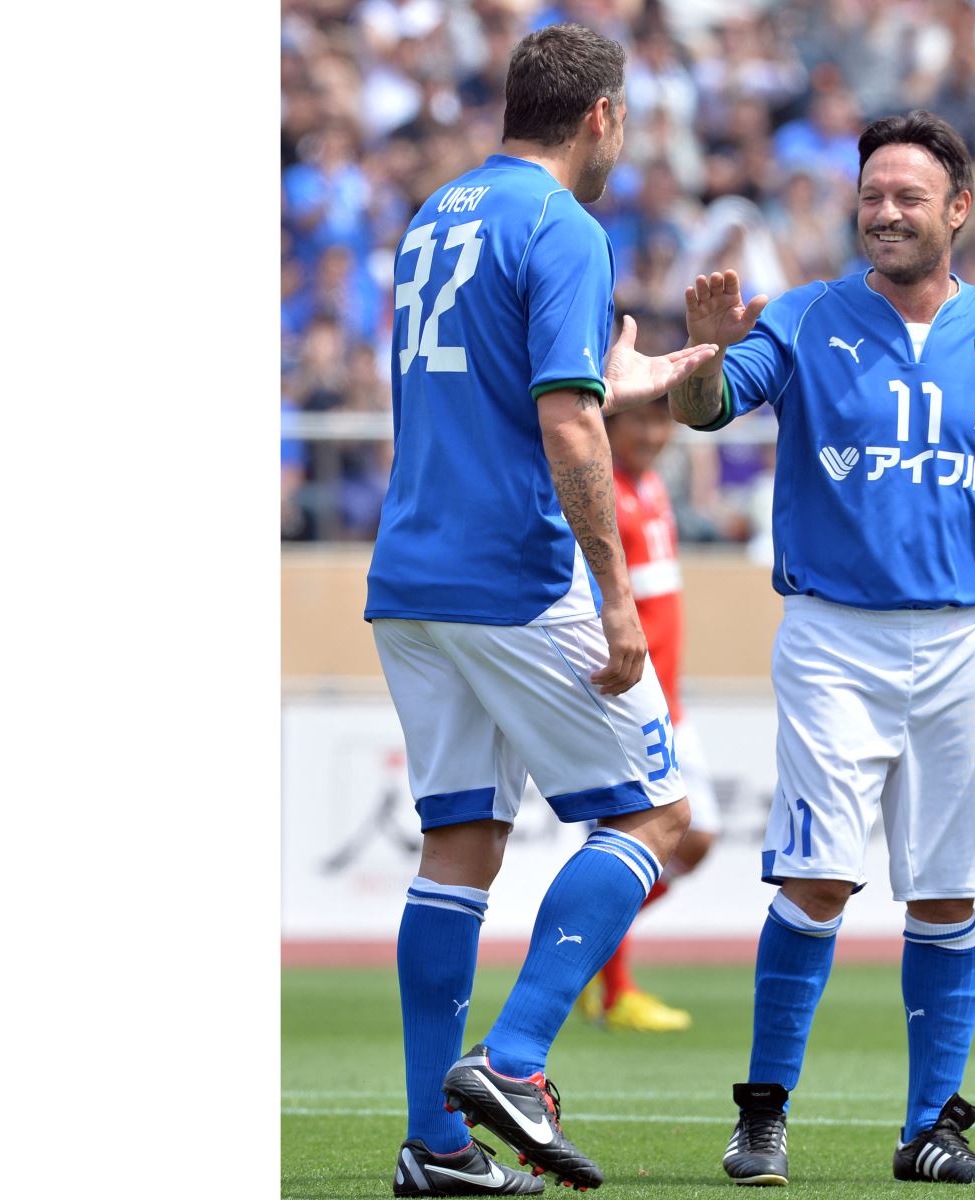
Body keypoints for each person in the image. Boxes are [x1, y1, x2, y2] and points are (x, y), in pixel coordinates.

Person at [668, 110, 975, 1186]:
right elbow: (709, 407)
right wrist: (711, 348)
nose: (886, 213)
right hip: (833, 639)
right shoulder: (808, 319)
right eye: (871, 197)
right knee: (819, 877)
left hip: (962, 642)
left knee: (949, 892)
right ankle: (763, 1116)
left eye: (908, 197)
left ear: (957, 210)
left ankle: (929, 1131)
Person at [364, 24, 718, 1197]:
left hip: (411, 572)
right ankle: (513, 1060)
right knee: (659, 819)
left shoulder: (435, 218)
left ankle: (436, 1150)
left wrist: (617, 378)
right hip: (513, 569)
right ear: (600, 117)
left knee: (461, 844)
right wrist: (616, 597)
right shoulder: (563, 223)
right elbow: (568, 427)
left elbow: (501, 384)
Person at [576, 397, 722, 1032]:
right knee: (631, 835)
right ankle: (615, 989)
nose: (656, 433)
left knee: (697, 836)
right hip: (630, 698)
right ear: (608, 423)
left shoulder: (653, 485)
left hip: (669, 701)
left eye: (664, 421)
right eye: (641, 419)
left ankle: (584, 953)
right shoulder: (597, 491)